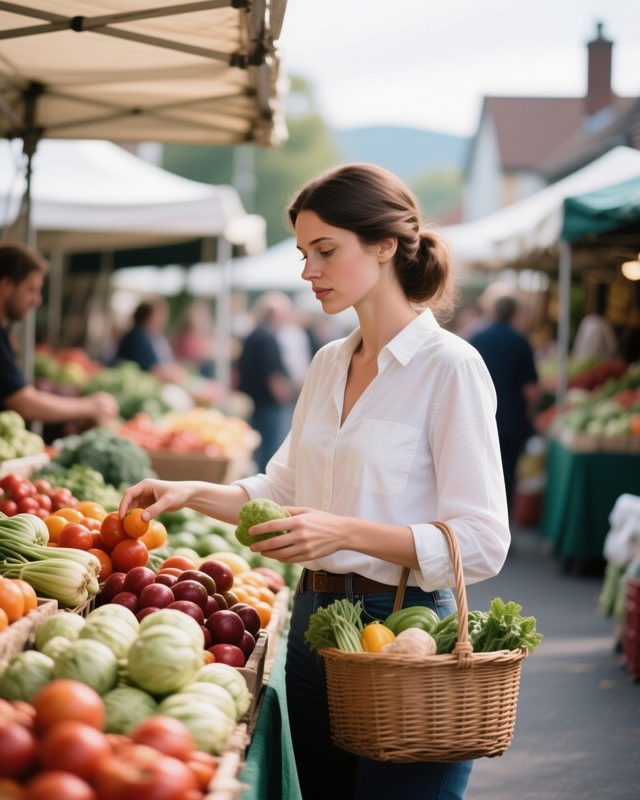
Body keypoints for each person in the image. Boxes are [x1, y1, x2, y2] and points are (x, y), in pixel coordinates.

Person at [120, 163, 510, 800]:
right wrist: (188, 492)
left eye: (325, 251)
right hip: (312, 625)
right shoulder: (329, 363)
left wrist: (342, 531)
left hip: (405, 629)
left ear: (385, 245)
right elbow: (283, 490)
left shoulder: (451, 368)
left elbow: (484, 541)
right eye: (305, 254)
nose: (308, 272)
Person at [0, 243, 118, 425]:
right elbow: (23, 402)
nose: (37, 300)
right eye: (31, 289)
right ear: (5, 286)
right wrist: (90, 406)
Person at [469, 294, 540, 514]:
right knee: (506, 476)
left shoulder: (476, 338)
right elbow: (532, 391)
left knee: (477, 476)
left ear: (494, 311)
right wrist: (530, 411)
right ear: (514, 314)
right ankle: (500, 526)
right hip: (511, 421)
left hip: (477, 418)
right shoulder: (521, 341)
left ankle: (475, 522)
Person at [235, 291, 294, 472]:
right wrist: (286, 398)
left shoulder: (252, 334)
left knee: (259, 454)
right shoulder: (267, 337)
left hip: (254, 402)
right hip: (268, 405)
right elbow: (274, 375)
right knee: (269, 455)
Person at [114, 295, 188, 385]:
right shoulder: (137, 337)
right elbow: (151, 370)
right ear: (148, 317)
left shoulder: (153, 337)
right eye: (160, 315)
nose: (164, 320)